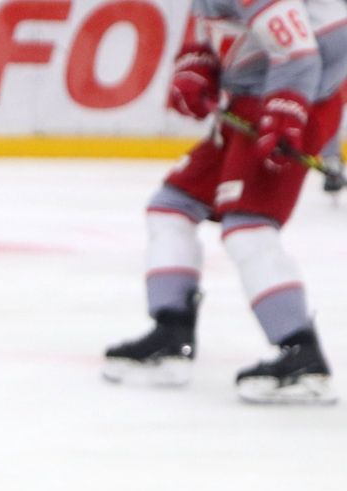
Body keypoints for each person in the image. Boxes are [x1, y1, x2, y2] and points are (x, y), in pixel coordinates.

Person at [103, 0, 347, 404]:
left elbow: (300, 53)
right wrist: (197, 64)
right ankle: (171, 331)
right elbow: (217, 27)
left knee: (248, 228)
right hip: (252, 100)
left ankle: (301, 354)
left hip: (293, 100)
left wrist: (286, 112)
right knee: (171, 207)